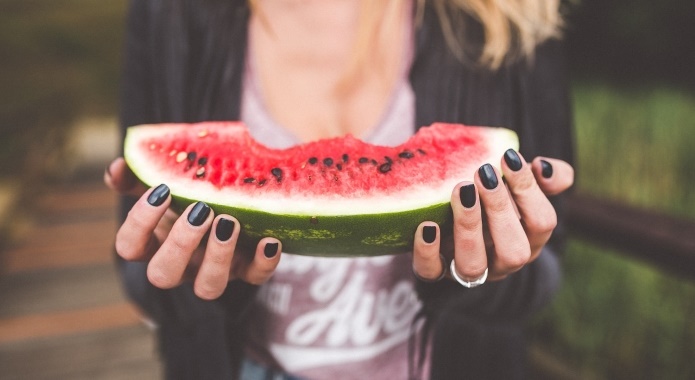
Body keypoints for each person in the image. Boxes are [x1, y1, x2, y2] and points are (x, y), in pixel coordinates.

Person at [105, 0, 575, 379]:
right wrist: (195, 280)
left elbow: (548, 272)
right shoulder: (169, 14)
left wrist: (473, 276)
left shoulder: (511, 15)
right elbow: (137, 269)